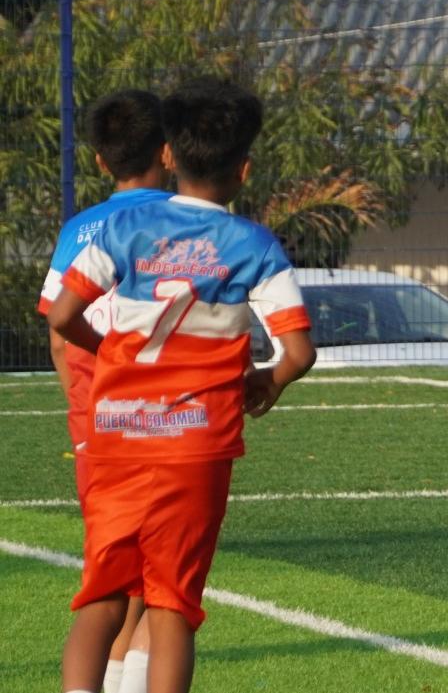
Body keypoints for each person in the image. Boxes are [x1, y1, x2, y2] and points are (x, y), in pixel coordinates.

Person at [48, 76, 317, 693]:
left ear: (168, 155)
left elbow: (64, 318)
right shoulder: (254, 245)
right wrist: (266, 381)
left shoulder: (126, 229)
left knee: (102, 595)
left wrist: (117, 355)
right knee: (171, 605)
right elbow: (299, 351)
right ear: (244, 169)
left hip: (117, 430)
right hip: (195, 444)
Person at [36, 88, 173, 693]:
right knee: (158, 592)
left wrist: (82, 407)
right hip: (172, 425)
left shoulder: (80, 229)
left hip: (99, 428)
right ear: (168, 152)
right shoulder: (189, 224)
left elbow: (59, 329)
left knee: (109, 585)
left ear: (98, 160)